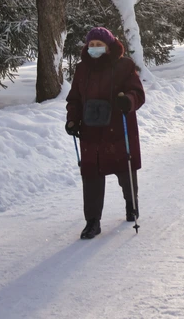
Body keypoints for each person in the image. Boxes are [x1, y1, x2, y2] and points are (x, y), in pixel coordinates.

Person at [65, 27, 146, 239]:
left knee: (124, 170)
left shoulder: (124, 65)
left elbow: (137, 93)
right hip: (90, 130)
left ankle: (131, 204)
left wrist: (127, 100)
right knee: (91, 175)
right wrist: (72, 120)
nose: (94, 48)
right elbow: (74, 98)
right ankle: (92, 221)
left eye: (99, 45)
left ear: (108, 46)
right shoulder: (82, 69)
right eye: (91, 45)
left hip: (117, 127)